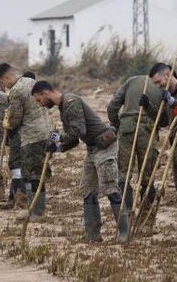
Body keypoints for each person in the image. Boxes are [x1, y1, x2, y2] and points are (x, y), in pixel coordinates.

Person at [32, 80, 127, 242]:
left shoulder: (71, 102)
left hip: (104, 146)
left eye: (38, 100)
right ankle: (93, 236)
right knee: (88, 190)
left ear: (45, 93)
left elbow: (78, 131)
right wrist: (57, 147)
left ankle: (124, 233)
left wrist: (57, 137)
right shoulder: (63, 108)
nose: (40, 104)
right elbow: (74, 140)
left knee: (109, 187)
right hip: (92, 148)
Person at [0, 63, 51, 212]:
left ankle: (35, 210)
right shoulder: (31, 82)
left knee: (30, 174)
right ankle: (31, 206)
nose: (3, 85)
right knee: (38, 171)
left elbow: (16, 118)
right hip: (45, 131)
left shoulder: (16, 91)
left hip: (30, 135)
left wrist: (7, 124)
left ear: (7, 77)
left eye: (2, 82)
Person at [107, 72, 165, 209]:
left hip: (126, 127)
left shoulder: (131, 80)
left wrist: (116, 123)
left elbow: (112, 106)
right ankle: (147, 208)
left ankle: (124, 208)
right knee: (147, 170)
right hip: (148, 128)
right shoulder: (162, 85)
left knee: (124, 172)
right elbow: (163, 118)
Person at [149, 62, 177, 237]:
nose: (159, 86)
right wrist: (149, 108)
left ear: (168, 74)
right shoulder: (167, 95)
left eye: (159, 82)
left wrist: (173, 102)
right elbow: (164, 121)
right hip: (175, 143)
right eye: (156, 84)